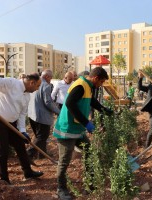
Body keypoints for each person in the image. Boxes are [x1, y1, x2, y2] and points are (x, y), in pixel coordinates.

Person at [53, 67, 113, 200]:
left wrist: (103, 109)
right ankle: (61, 189)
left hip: (78, 129)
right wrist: (86, 122)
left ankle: (90, 184)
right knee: (64, 161)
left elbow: (91, 100)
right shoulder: (80, 85)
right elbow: (69, 103)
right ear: (96, 78)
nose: (101, 85)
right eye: (101, 82)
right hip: (67, 130)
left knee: (89, 152)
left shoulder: (88, 86)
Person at [0, 73, 44, 184]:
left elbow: (22, 114)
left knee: (20, 146)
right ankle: (4, 179)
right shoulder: (12, 83)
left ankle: (28, 172)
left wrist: (22, 131)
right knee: (3, 150)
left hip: (11, 124)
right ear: (32, 82)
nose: (38, 89)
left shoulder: (27, 96)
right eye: (38, 86)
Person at [27, 70, 60, 160]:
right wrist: (58, 111)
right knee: (42, 137)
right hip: (42, 116)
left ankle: (42, 154)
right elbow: (48, 102)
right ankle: (28, 154)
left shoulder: (34, 83)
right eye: (51, 77)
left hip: (32, 114)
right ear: (47, 77)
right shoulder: (45, 85)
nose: (51, 79)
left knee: (39, 137)